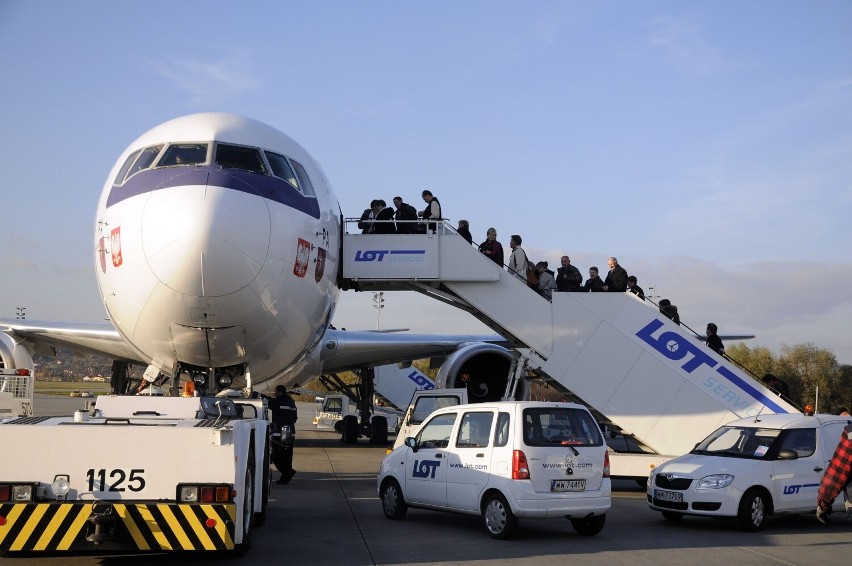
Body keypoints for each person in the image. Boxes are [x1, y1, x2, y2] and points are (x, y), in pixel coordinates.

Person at [269, 385, 298, 484]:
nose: (275, 394)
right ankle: (286, 476)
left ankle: (288, 473)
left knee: (277, 457)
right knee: (287, 457)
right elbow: (295, 418)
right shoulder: (291, 402)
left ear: (280, 392)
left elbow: (269, 402)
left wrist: (255, 394)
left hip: (279, 434)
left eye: (276, 392)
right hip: (290, 433)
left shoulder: (278, 402)